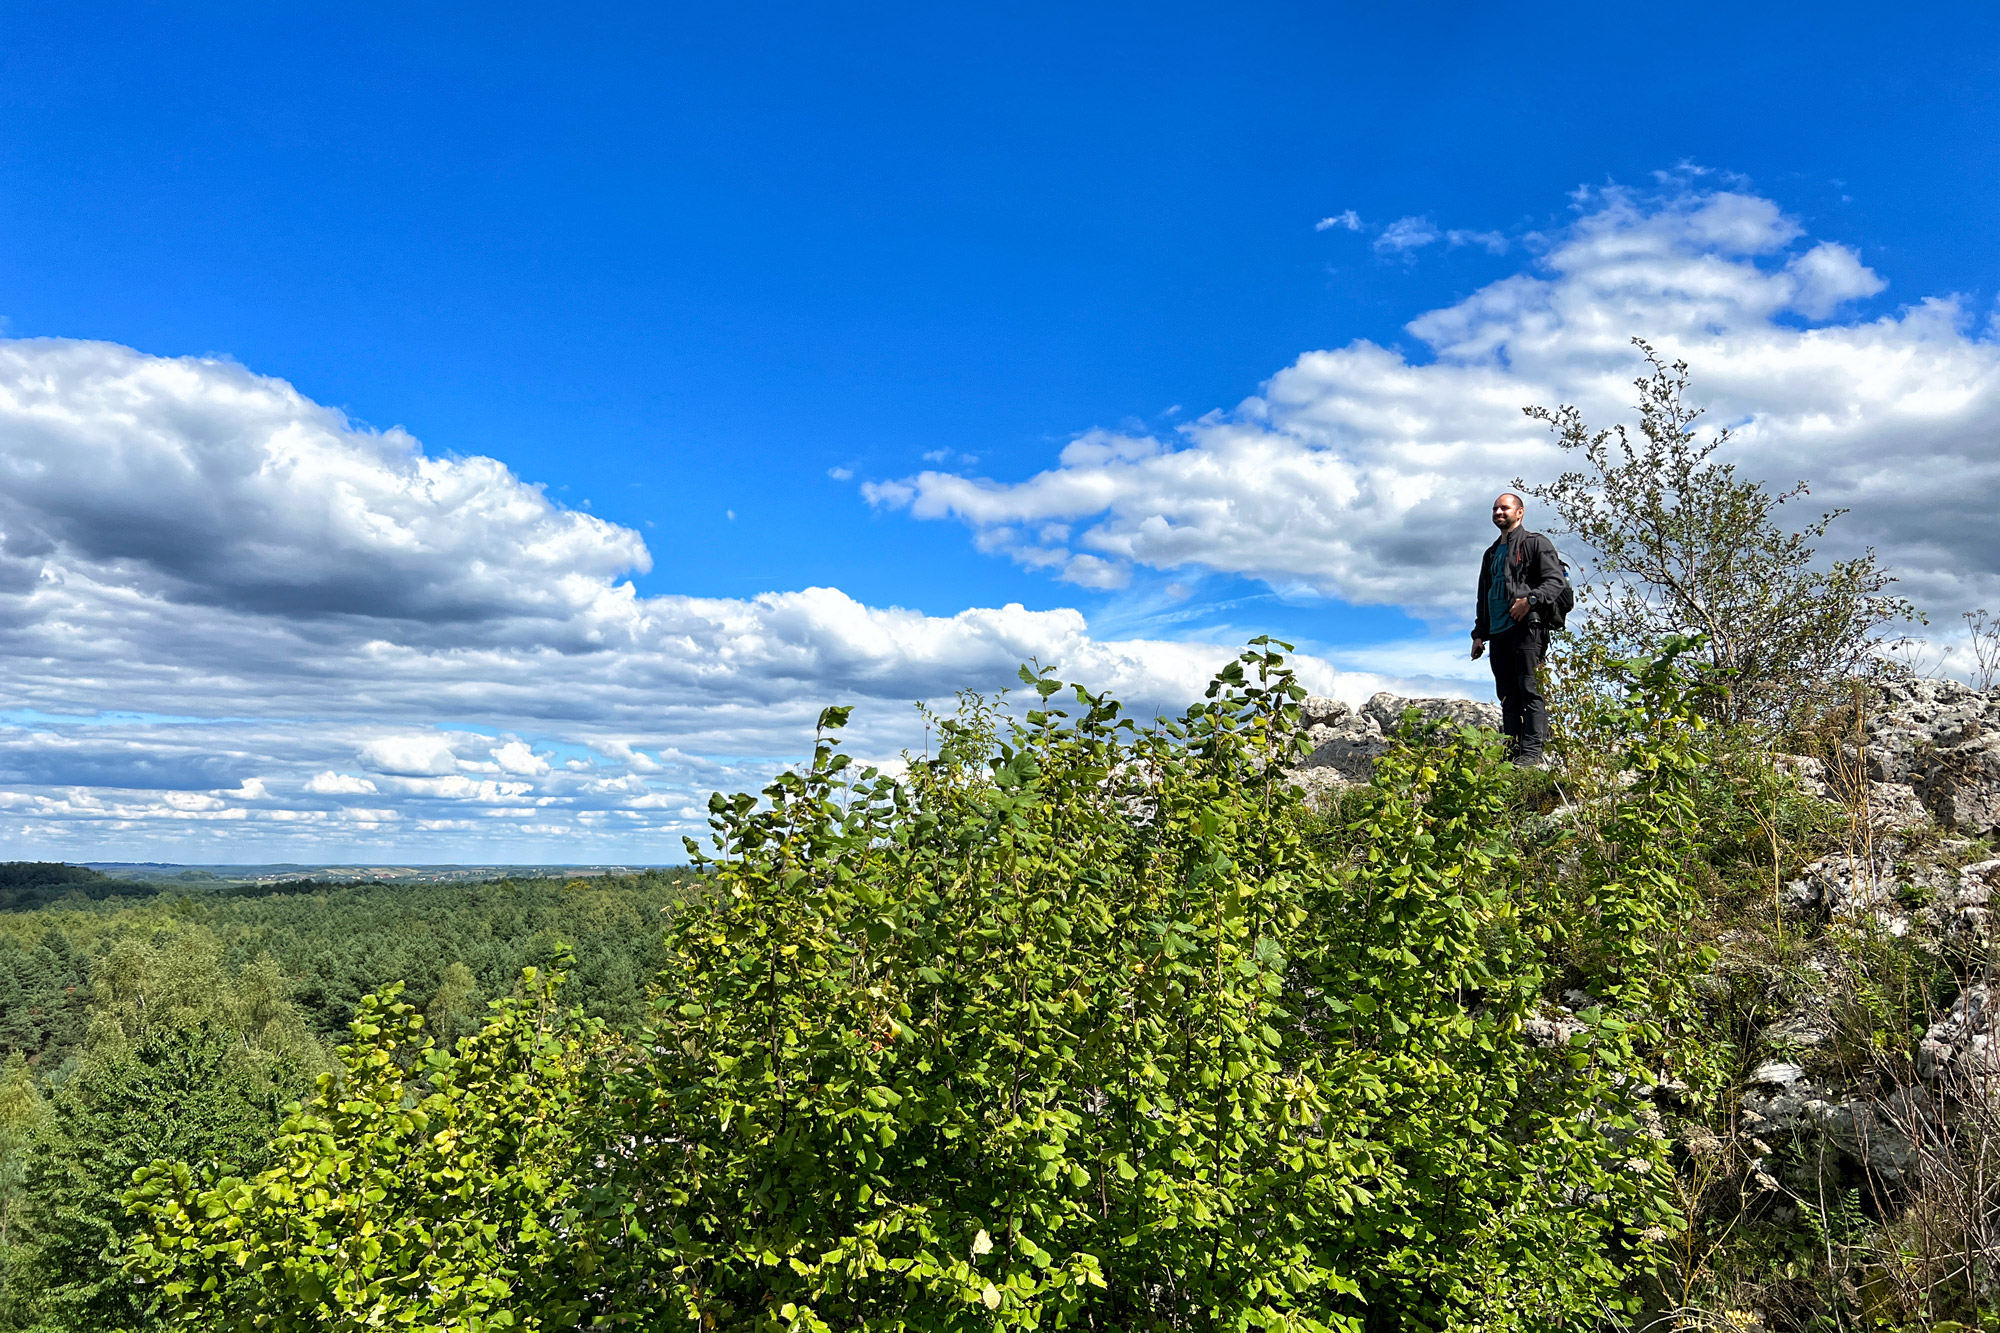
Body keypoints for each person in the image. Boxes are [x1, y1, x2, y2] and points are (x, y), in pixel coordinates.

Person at [1471, 492, 1566, 766]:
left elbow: (1555, 581)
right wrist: (1479, 634)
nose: (1499, 512)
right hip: (1498, 632)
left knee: (1530, 689)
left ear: (1520, 512)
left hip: (1527, 629)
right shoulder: (1490, 553)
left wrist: (1531, 600)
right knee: (1508, 695)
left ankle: (1532, 754)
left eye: (1505, 508)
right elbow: (1484, 596)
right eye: (1495, 509)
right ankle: (1511, 753)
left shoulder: (1535, 543)